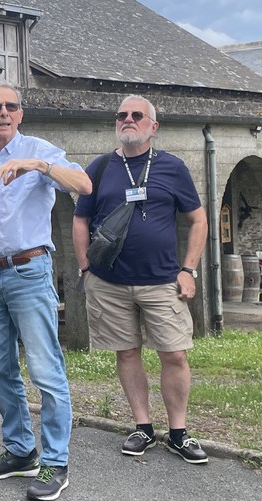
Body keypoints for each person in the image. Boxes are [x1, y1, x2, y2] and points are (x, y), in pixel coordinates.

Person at [0, 82, 91, 501]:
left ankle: (56, 462)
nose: (3, 112)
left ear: (20, 114)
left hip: (29, 270)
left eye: (11, 106)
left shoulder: (39, 149)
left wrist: (37, 165)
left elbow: (84, 184)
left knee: (45, 369)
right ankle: (20, 451)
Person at [71, 95, 209, 463]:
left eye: (136, 115)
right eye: (122, 115)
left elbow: (198, 219)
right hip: (109, 282)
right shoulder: (100, 167)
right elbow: (81, 219)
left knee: (174, 354)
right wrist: (85, 268)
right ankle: (142, 426)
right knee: (127, 352)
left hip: (162, 280)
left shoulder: (172, 167)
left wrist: (189, 269)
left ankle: (178, 432)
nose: (128, 119)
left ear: (153, 127)